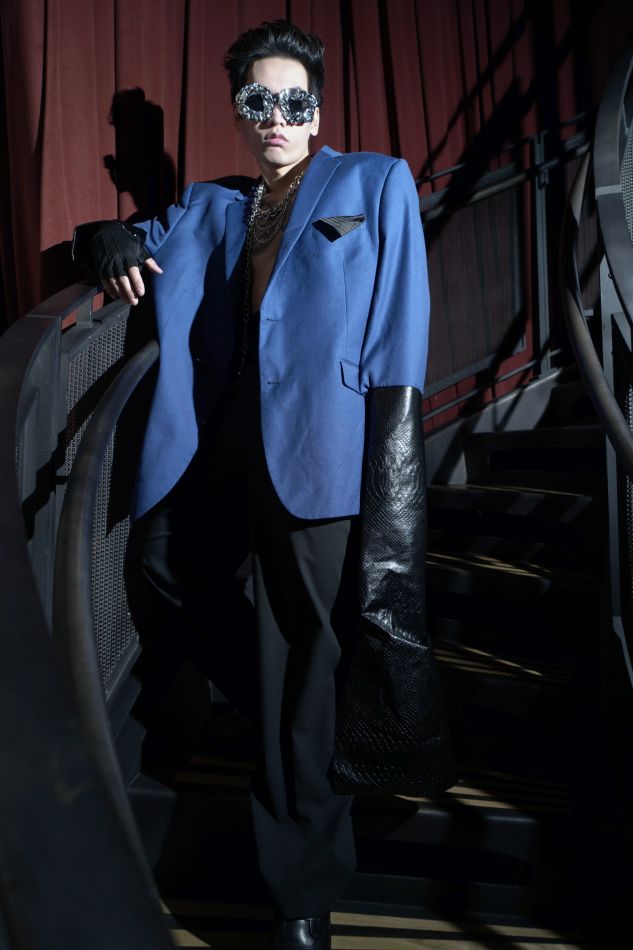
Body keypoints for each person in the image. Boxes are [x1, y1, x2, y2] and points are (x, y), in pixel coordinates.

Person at [72, 20, 455, 950]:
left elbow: (399, 329)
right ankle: (291, 714)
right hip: (219, 441)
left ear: (316, 110)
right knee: (163, 564)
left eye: (294, 100)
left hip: (324, 450)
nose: (277, 116)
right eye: (259, 100)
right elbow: (126, 243)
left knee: (304, 662)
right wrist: (106, 237)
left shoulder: (373, 182)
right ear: (239, 112)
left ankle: (301, 897)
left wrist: (388, 473)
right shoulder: (210, 203)